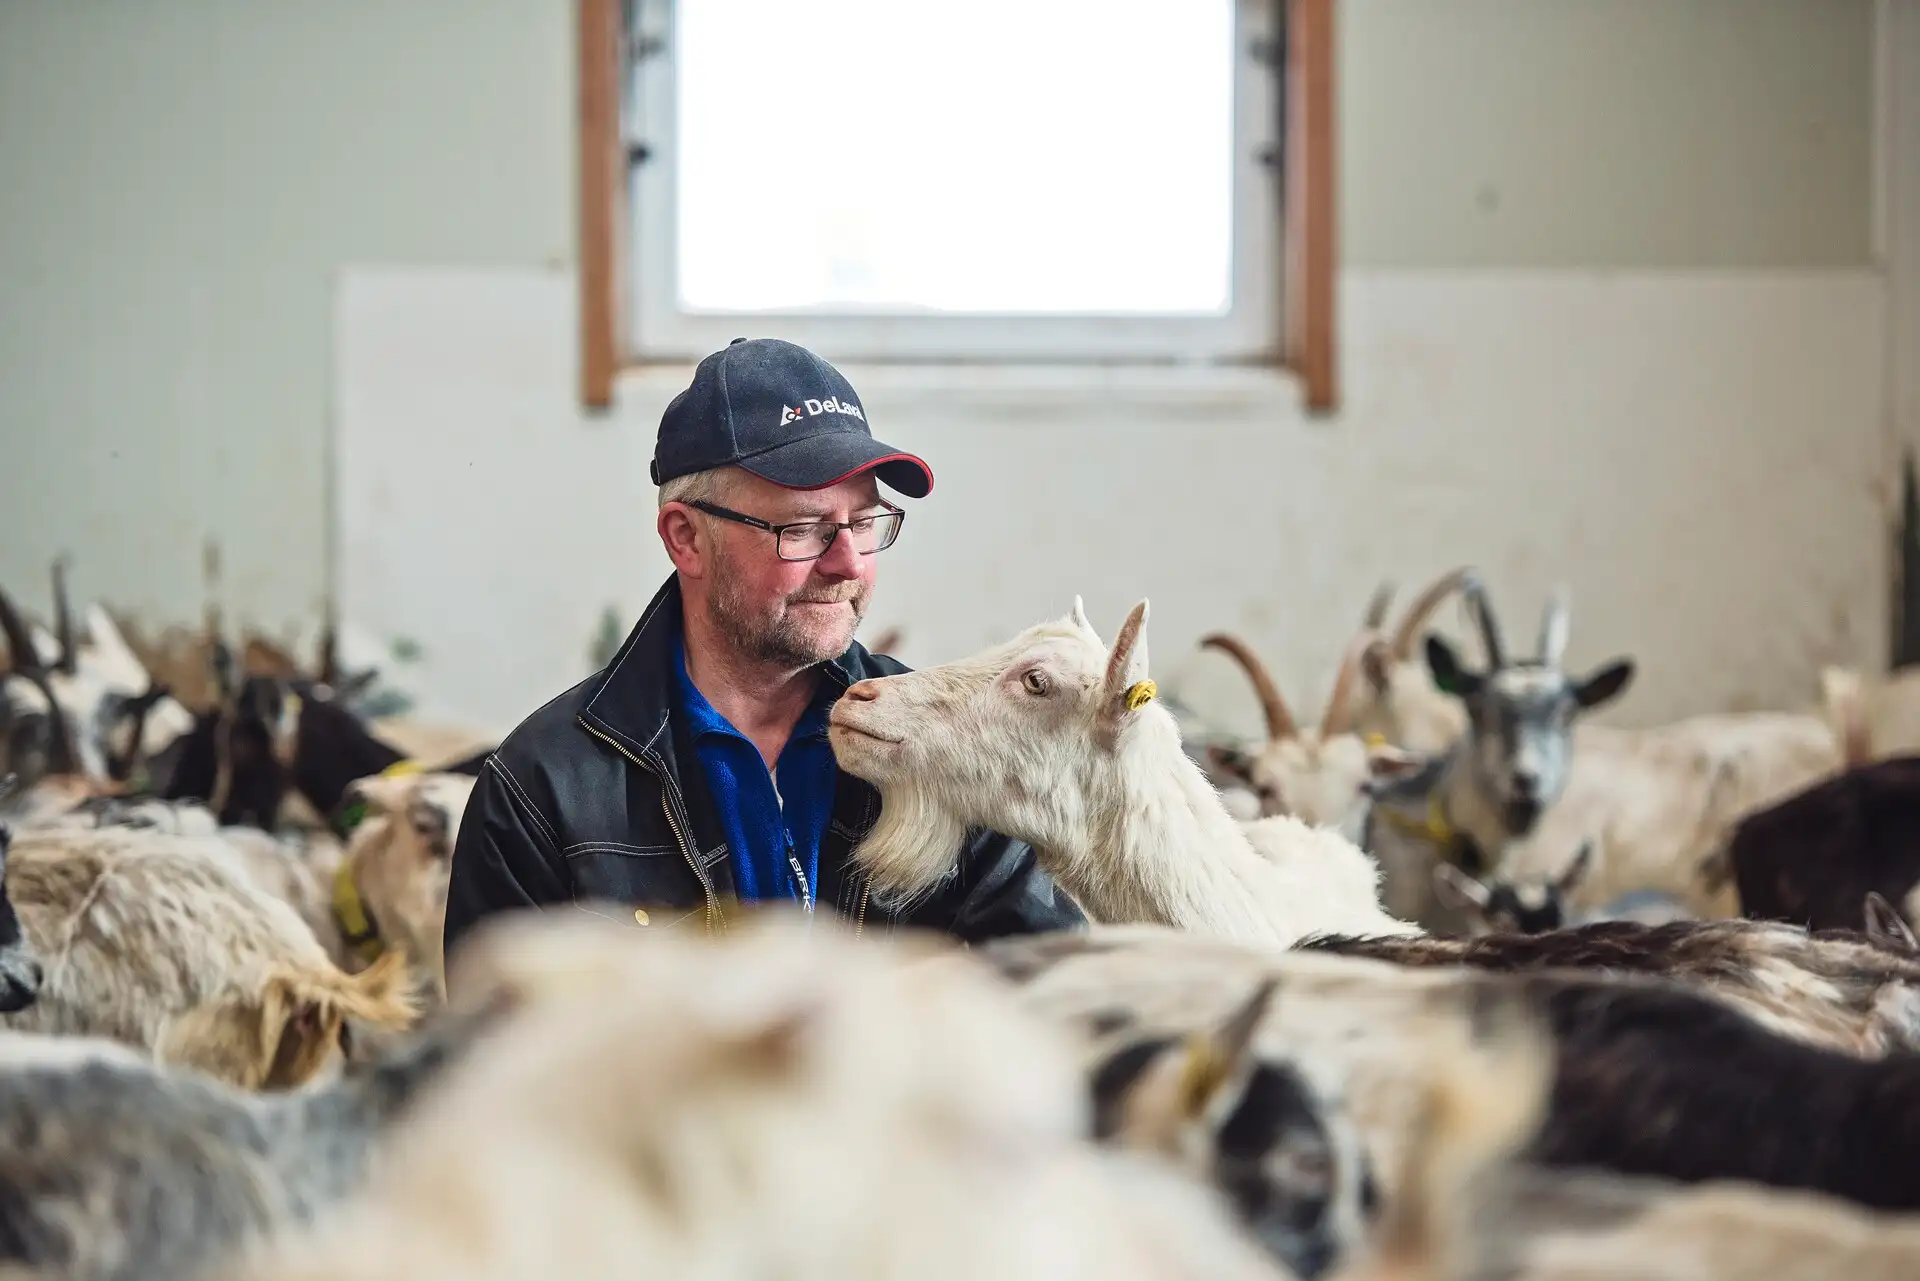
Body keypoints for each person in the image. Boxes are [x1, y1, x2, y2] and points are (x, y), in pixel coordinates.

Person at [443, 337, 1084, 967]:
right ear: (686, 538)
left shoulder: (944, 747)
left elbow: (1057, 1001)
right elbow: (496, 1060)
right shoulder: (544, 788)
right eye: (803, 529)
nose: (850, 563)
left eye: (864, 523)